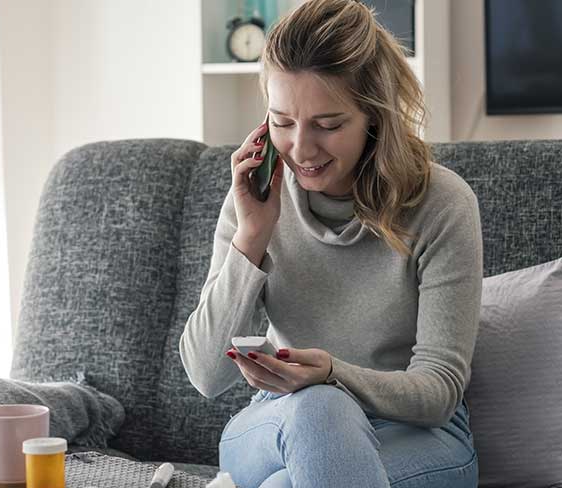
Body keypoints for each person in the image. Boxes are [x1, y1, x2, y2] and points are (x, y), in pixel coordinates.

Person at [179, 0, 482, 486]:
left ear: (374, 117)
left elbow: (439, 391)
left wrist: (332, 375)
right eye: (282, 122)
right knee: (317, 409)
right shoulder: (254, 200)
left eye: (328, 124)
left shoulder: (442, 204)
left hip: (418, 436)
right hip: (280, 421)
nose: (301, 148)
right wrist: (253, 236)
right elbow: (205, 374)